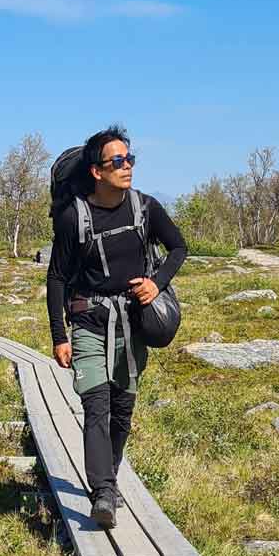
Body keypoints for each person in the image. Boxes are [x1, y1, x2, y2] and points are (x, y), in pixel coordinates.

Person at [45, 125, 187, 529]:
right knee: (96, 404)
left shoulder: (146, 208)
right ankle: (103, 493)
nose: (127, 167)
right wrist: (59, 335)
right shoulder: (75, 218)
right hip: (89, 321)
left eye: (130, 160)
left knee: (122, 411)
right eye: (117, 162)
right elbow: (57, 278)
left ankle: (110, 472)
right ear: (97, 171)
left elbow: (179, 247)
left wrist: (155, 284)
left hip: (132, 324)